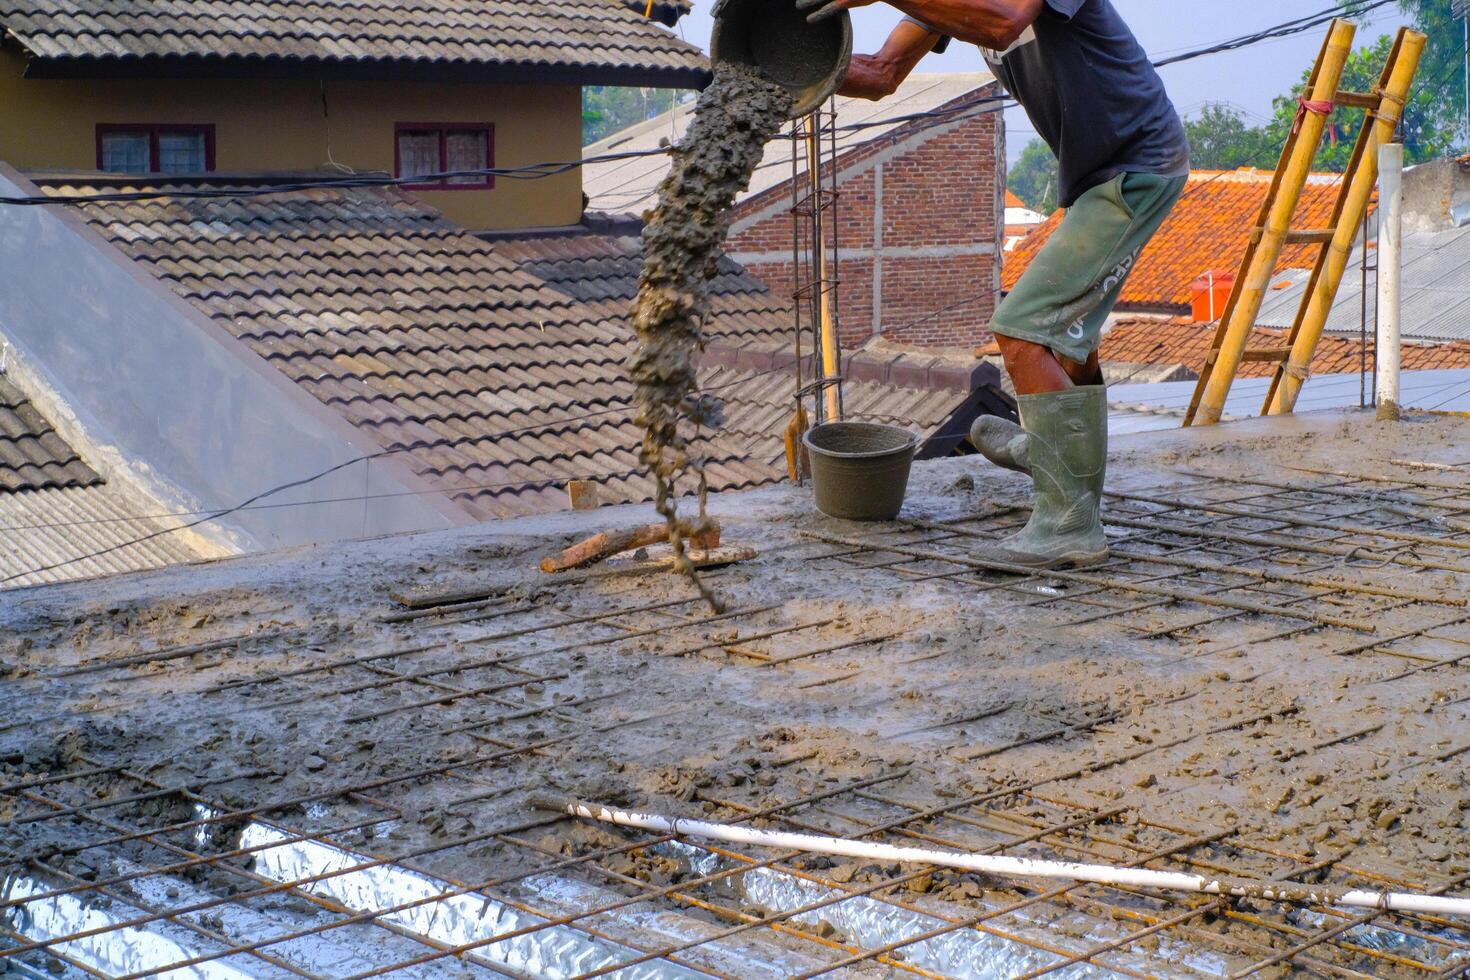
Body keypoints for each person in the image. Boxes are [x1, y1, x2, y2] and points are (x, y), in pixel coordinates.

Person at [798, 0, 1189, 568]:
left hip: (1138, 165)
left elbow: (1005, 20)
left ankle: (1068, 525)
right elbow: (878, 74)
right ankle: (1060, 464)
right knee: (1066, 340)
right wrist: (780, 77)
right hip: (1103, 175)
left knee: (1024, 329)